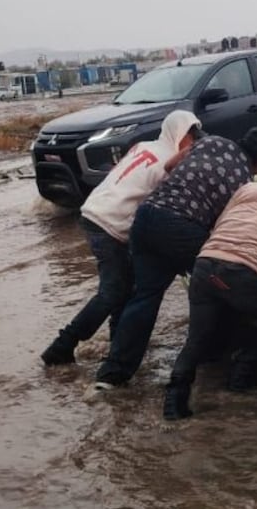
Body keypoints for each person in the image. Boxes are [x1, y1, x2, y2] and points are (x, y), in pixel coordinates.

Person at [94, 127, 257, 388]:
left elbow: (169, 165)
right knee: (217, 279)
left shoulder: (212, 140)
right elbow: (225, 228)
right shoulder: (244, 181)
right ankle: (213, 356)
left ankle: (112, 375)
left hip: (146, 216)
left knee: (144, 297)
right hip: (181, 227)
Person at [40, 110, 202, 365]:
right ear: (178, 134)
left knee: (124, 286)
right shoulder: (169, 163)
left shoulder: (144, 146)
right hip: (110, 223)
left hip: (94, 211)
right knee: (112, 292)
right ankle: (62, 346)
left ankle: (117, 345)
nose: (192, 144)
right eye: (190, 138)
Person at [163, 160, 257, 420]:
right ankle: (240, 373)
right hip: (238, 272)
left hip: (204, 264)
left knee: (196, 339)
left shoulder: (248, 189)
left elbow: (220, 222)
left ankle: (175, 399)